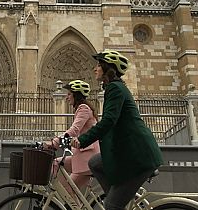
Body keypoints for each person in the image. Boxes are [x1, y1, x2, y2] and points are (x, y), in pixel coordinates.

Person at [72, 50, 164, 210]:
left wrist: (82, 140)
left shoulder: (115, 88)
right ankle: (118, 197)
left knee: (111, 205)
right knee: (95, 163)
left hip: (138, 155)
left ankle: (115, 202)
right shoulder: (114, 88)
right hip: (129, 152)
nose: (95, 68)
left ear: (108, 68)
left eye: (99, 65)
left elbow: (108, 121)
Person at [44, 80, 101, 195]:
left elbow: (74, 130)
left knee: (67, 191)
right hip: (82, 156)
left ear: (76, 95)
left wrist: (55, 142)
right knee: (56, 163)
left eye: (69, 94)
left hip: (87, 158)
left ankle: (67, 198)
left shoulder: (83, 108)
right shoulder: (82, 108)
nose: (67, 97)